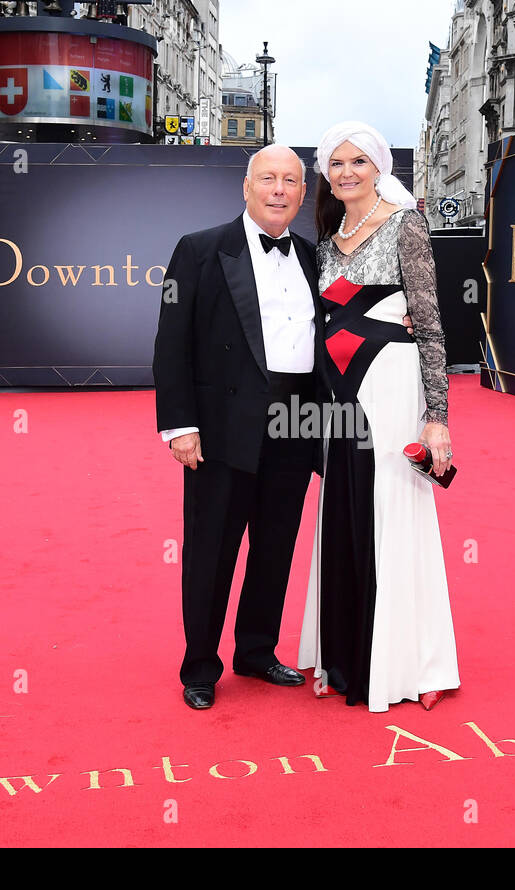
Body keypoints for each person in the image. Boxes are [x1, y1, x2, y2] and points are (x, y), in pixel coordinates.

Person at [153, 144, 328, 712]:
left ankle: (257, 651)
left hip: (295, 420)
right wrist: (180, 425)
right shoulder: (200, 250)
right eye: (268, 179)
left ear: (303, 193)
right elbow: (171, 345)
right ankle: (200, 664)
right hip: (224, 426)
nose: (279, 190)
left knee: (275, 547)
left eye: (291, 181)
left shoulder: (312, 255)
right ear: (246, 187)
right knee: (212, 549)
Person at [298, 121, 460, 713]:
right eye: (335, 163)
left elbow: (431, 321)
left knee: (395, 512)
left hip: (391, 385)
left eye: (357, 162)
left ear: (378, 167)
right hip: (338, 393)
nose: (345, 173)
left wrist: (437, 416)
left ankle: (416, 663)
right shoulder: (325, 237)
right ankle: (342, 654)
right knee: (342, 509)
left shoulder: (405, 224)